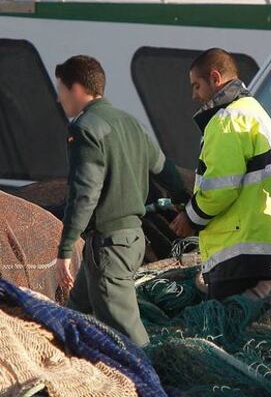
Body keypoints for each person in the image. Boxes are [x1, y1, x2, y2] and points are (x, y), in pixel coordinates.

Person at [55, 55, 186, 347]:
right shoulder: (130, 123)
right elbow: (166, 171)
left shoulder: (84, 128)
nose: (59, 98)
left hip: (110, 247)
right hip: (128, 241)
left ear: (76, 89)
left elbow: (84, 194)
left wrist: (65, 248)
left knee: (128, 336)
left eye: (61, 90)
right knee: (73, 316)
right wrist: (186, 203)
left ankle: (155, 386)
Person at [170, 48, 271, 300]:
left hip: (239, 253)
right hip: (266, 246)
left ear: (215, 77)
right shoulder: (256, 112)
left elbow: (219, 189)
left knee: (227, 328)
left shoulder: (227, 119)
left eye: (196, 86)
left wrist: (190, 217)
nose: (194, 95)